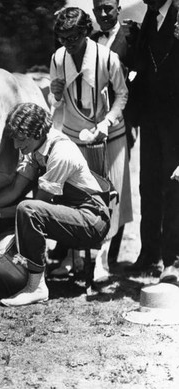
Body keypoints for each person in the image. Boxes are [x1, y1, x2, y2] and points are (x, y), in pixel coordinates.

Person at [0, 103, 110, 306]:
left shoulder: (61, 152)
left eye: (21, 139)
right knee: (17, 205)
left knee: (27, 210)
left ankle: (37, 287)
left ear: (37, 133)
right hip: (68, 212)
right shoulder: (36, 149)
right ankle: (15, 277)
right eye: (14, 138)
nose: (16, 146)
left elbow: (38, 206)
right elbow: (14, 190)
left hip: (91, 220)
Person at [49, 7, 129, 281]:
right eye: (62, 38)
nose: (68, 44)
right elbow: (56, 104)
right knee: (73, 197)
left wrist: (106, 123)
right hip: (73, 134)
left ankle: (103, 261)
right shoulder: (58, 58)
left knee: (111, 196)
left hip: (110, 134)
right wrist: (55, 94)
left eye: (72, 38)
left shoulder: (108, 58)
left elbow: (122, 95)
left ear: (85, 32)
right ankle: (72, 258)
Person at [124, 0, 179, 279]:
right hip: (151, 119)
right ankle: (150, 254)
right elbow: (142, 69)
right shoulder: (149, 16)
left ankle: (173, 260)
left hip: (176, 123)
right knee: (148, 185)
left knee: (174, 189)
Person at [90, 0, 138, 268]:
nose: (104, 14)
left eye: (109, 8)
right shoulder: (92, 40)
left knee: (117, 188)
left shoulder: (132, 37)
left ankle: (111, 257)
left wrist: (131, 119)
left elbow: (138, 78)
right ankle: (87, 251)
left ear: (118, 8)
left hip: (122, 123)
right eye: (99, 9)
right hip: (94, 127)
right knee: (93, 186)